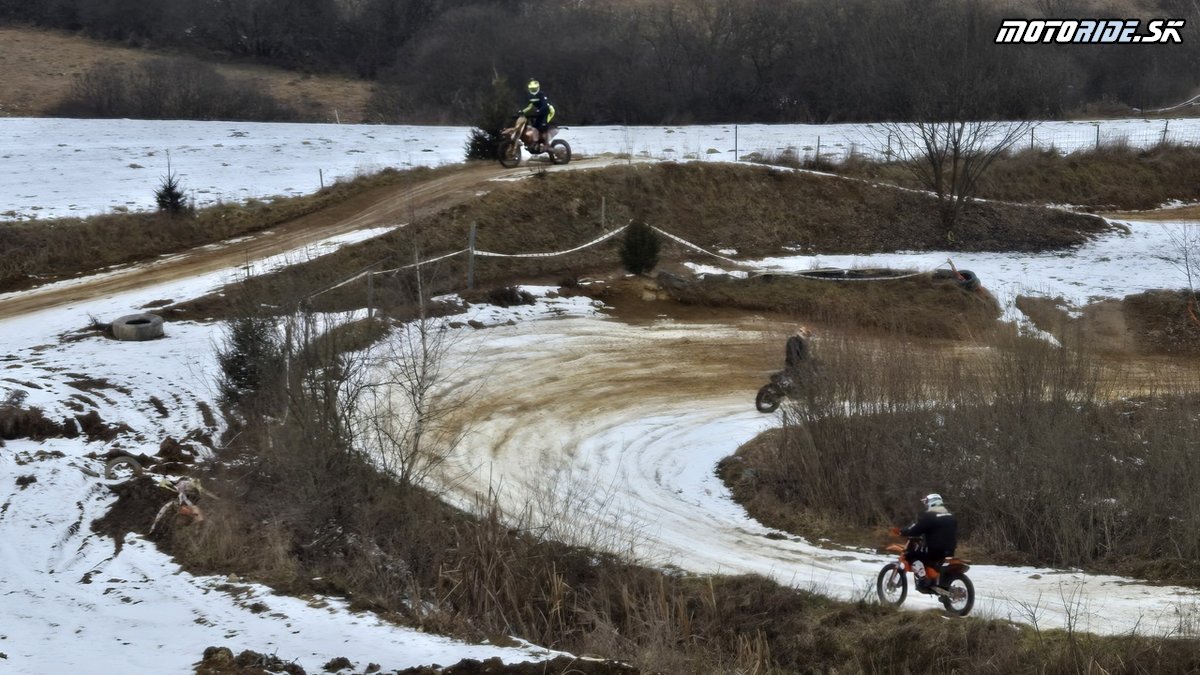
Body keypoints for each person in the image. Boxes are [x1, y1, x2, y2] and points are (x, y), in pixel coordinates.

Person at [891, 492, 958, 592]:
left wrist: (901, 532)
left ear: (932, 503)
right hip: (950, 550)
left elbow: (915, 529)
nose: (926, 505)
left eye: (927, 502)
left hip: (935, 550)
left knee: (911, 555)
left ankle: (923, 579)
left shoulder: (930, 516)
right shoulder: (951, 516)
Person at [519, 79, 556, 150]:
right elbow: (529, 106)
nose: (533, 90)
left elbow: (545, 105)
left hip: (549, 111)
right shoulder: (530, 96)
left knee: (542, 126)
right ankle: (536, 143)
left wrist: (539, 110)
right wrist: (522, 111)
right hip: (540, 113)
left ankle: (546, 145)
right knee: (535, 127)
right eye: (532, 89)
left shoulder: (541, 94)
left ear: (538, 88)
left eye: (534, 89)